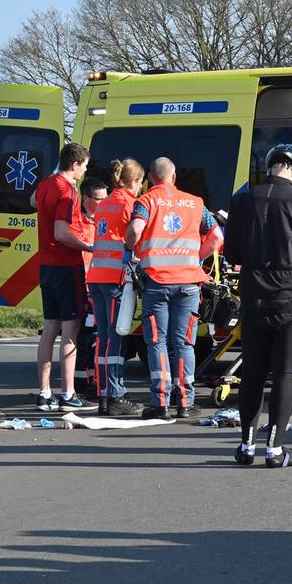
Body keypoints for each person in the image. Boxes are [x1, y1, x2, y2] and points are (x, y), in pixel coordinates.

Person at [224, 144, 292, 467]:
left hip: (253, 296)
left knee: (252, 372)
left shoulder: (241, 201)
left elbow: (232, 255)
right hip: (291, 298)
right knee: (284, 373)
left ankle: (246, 446)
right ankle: (275, 448)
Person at [125, 157, 223, 419]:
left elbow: (135, 228)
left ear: (149, 177)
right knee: (184, 344)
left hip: (157, 282)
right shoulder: (195, 203)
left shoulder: (146, 201)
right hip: (189, 283)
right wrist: (196, 260)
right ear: (174, 176)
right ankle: (185, 402)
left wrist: (132, 249)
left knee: (157, 342)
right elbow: (216, 238)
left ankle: (160, 402)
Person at [31, 143, 94, 413]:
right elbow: (61, 233)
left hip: (46, 265)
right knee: (70, 330)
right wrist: (89, 246)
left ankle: (44, 392)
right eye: (85, 166)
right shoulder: (68, 191)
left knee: (49, 329)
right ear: (75, 164)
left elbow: (33, 201)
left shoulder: (46, 184)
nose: (85, 171)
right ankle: (68, 393)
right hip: (66, 266)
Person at [86, 160, 145, 416]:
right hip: (114, 279)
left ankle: (104, 393)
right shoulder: (129, 204)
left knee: (103, 337)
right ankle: (115, 395)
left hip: (97, 276)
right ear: (135, 181)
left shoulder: (106, 202)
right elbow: (135, 237)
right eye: (141, 182)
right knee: (116, 338)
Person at [73, 176, 109, 398]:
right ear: (86, 198)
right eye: (99, 199)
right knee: (84, 340)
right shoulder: (77, 222)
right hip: (84, 288)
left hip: (102, 287)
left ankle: (95, 382)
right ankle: (81, 385)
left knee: (98, 339)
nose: (104, 204)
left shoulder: (106, 219)